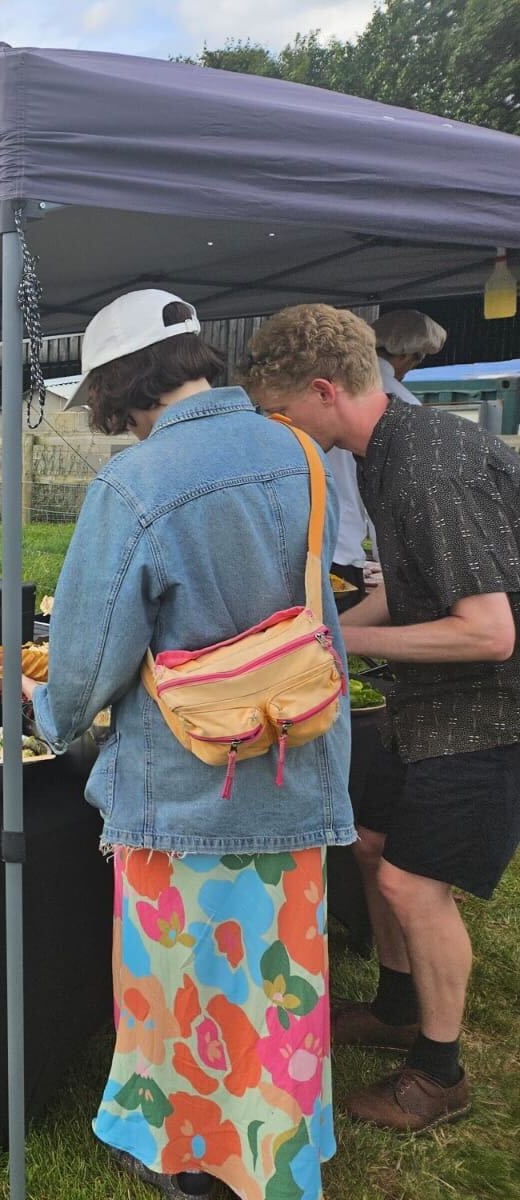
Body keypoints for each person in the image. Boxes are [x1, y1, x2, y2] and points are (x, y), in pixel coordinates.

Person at [25, 290, 352, 1200]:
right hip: (295, 762)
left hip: (184, 783)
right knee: (275, 987)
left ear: (118, 388)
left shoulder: (135, 485)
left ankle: (192, 1161)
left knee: (181, 983)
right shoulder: (297, 449)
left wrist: (44, 710)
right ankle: (276, 1154)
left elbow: (87, 664)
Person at [243, 303, 520, 1134]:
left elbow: (490, 630)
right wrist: (330, 626)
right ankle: (398, 1005)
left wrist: (344, 640)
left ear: (325, 390)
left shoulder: (430, 464)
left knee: (410, 882)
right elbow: (415, 581)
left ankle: (440, 1073)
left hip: (491, 712)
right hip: (425, 702)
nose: (280, 435)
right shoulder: (383, 452)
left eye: (283, 418)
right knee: (368, 844)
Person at [323, 310, 441, 595]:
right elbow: (392, 494)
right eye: (416, 360)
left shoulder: (328, 391)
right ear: (406, 355)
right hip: (344, 546)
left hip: (315, 540)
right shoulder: (399, 404)